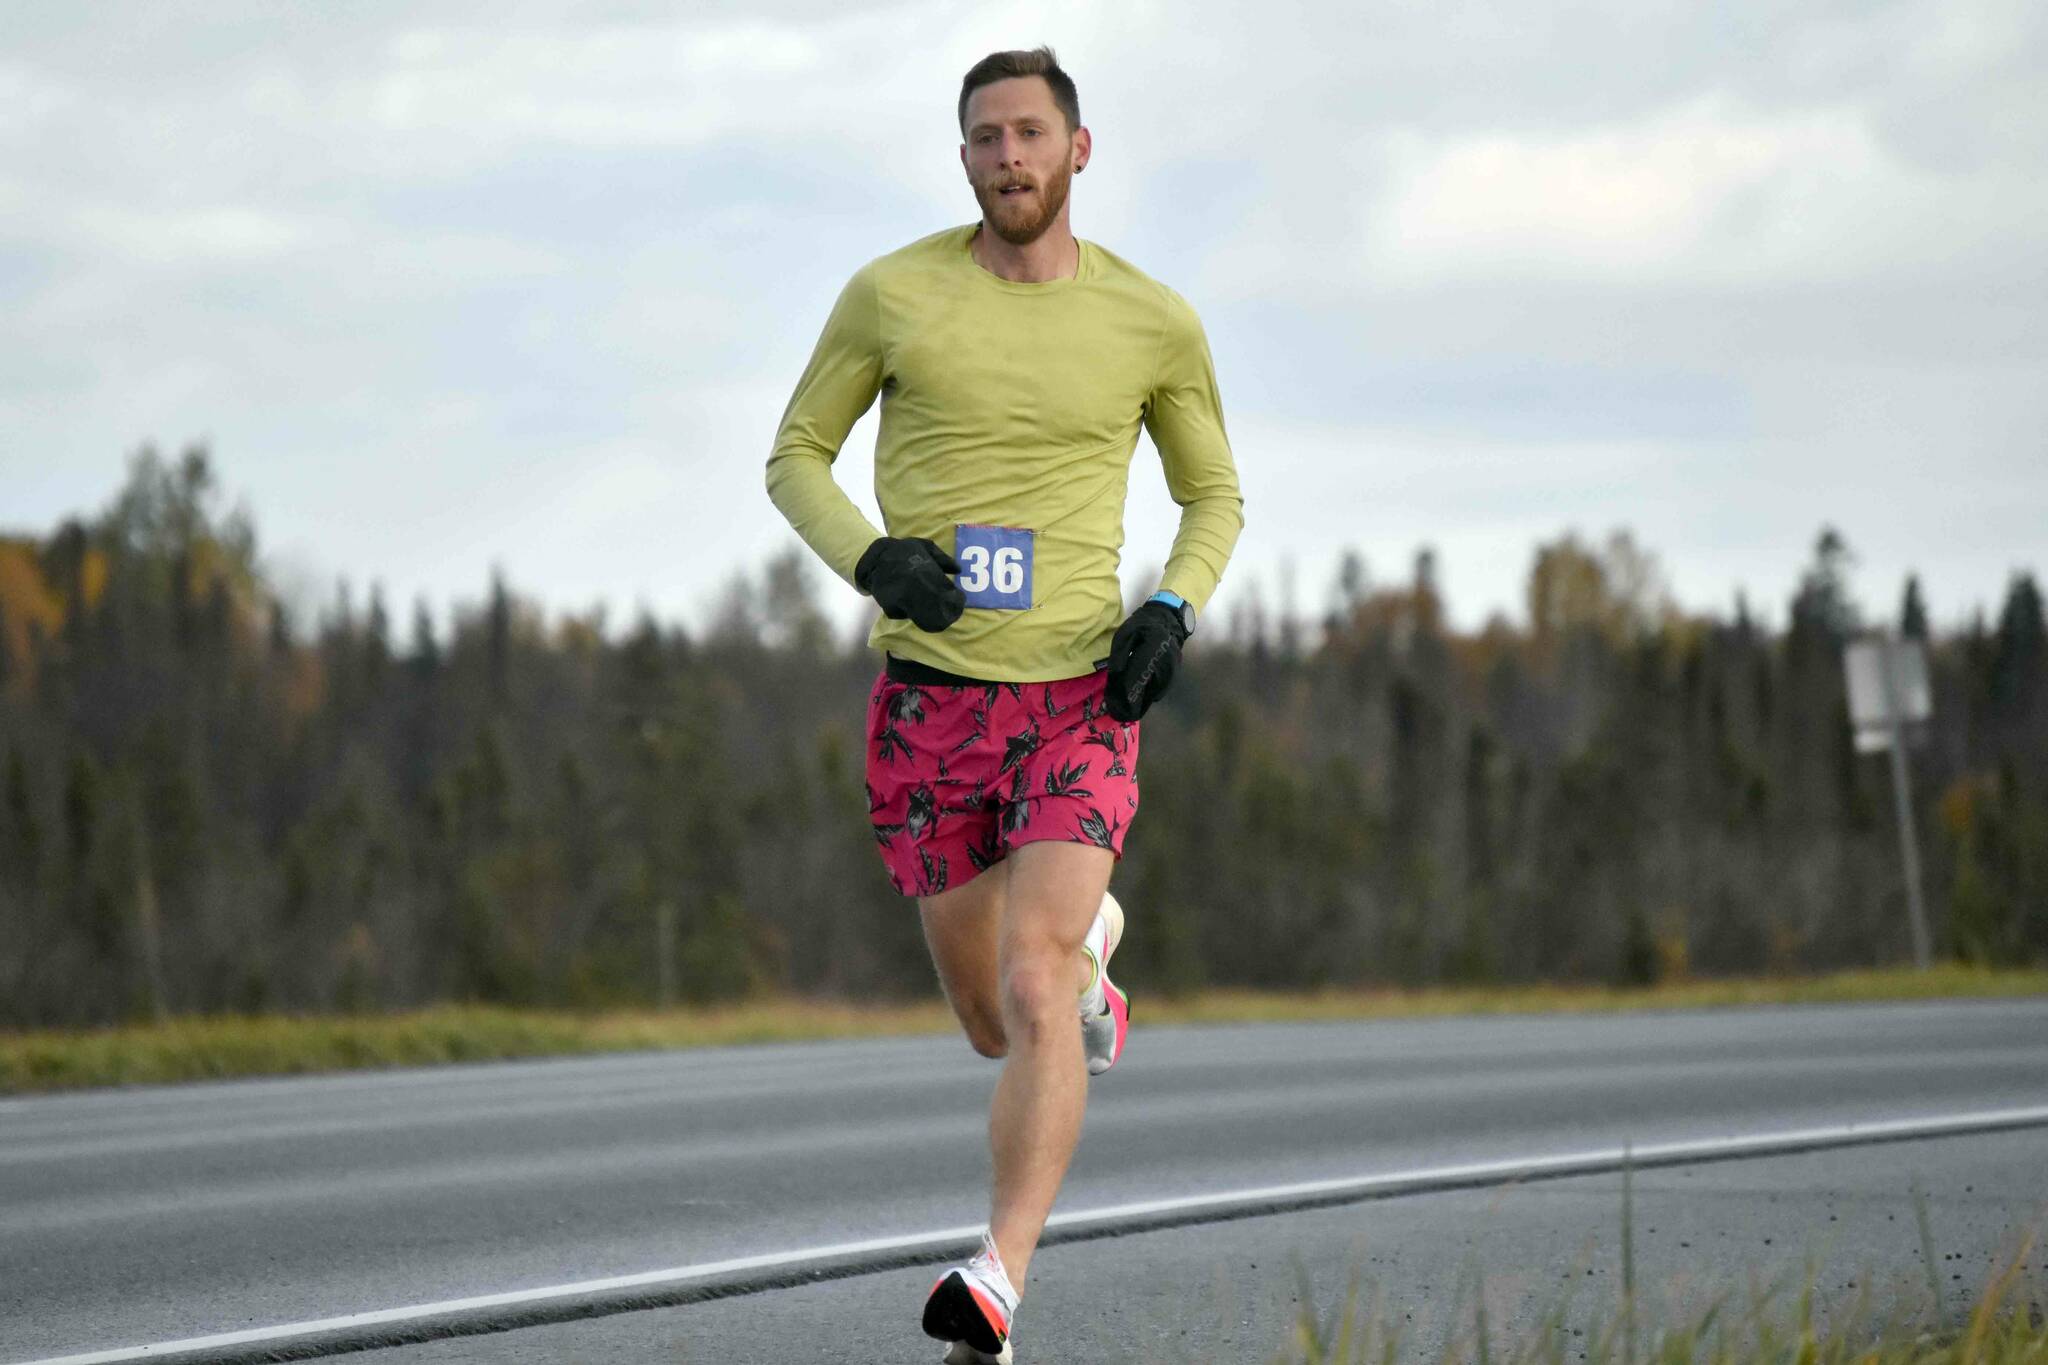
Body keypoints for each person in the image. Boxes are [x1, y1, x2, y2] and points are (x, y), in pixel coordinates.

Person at [764, 45, 1243, 1363]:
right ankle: (1095, 968)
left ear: (1078, 150)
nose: (1010, 158)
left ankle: (998, 1279)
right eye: (985, 139)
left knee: (1035, 983)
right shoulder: (892, 297)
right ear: (964, 156)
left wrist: (1173, 607)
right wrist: (872, 558)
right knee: (995, 1019)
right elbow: (793, 455)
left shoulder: (1154, 320)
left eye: (1032, 134)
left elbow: (1217, 495)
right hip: (935, 702)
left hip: (1084, 695)